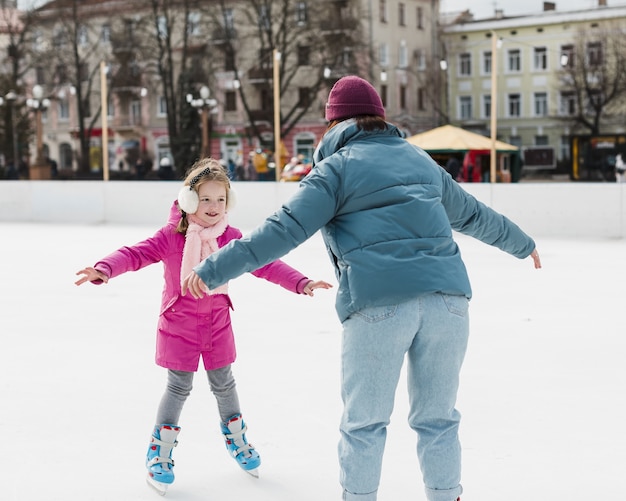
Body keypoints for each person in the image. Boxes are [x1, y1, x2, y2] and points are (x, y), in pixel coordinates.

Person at [182, 76, 542, 501]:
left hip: (379, 304)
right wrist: (524, 244)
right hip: (449, 302)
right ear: (380, 119)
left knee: (365, 423)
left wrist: (213, 267)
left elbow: (281, 231)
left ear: (334, 123)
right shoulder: (420, 160)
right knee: (438, 419)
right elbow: (474, 215)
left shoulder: (334, 169)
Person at [75, 158, 332, 494]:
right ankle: (160, 452)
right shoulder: (171, 237)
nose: (214, 207)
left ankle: (237, 440)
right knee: (179, 386)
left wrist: (301, 282)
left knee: (224, 384)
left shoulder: (231, 238)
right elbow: (135, 254)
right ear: (190, 201)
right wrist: (104, 268)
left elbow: (265, 263)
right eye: (206, 199)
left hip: (217, 323)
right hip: (177, 325)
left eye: (221, 199)